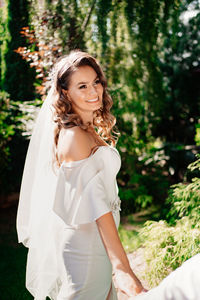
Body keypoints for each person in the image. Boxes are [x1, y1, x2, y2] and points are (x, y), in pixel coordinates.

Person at [16, 50, 147, 300]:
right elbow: (98, 206)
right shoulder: (75, 137)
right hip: (85, 246)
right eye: (82, 86)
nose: (94, 91)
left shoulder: (88, 129)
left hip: (99, 240)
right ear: (65, 93)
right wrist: (122, 267)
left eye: (96, 82)